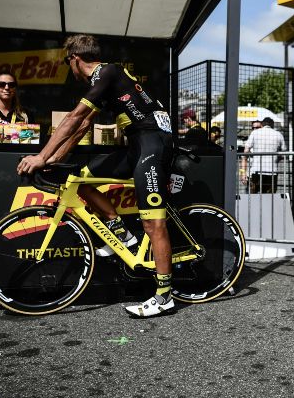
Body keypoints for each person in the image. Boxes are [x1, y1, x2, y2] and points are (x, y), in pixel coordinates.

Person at [17, 34, 176, 317]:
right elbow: (82, 127)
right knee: (81, 179)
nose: (71, 70)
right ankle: (122, 235)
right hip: (136, 146)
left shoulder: (108, 71)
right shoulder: (104, 82)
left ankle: (164, 296)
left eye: (69, 64)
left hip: (153, 143)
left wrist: (40, 157)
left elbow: (75, 117)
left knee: (153, 224)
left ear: (75, 59)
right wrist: (54, 159)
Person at [240, 117, 285, 194]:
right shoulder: (278, 134)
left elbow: (246, 151)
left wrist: (243, 172)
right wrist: (276, 158)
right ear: (272, 125)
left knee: (253, 196)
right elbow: (283, 153)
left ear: (262, 124)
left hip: (256, 171)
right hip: (272, 171)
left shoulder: (254, 133)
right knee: (270, 198)